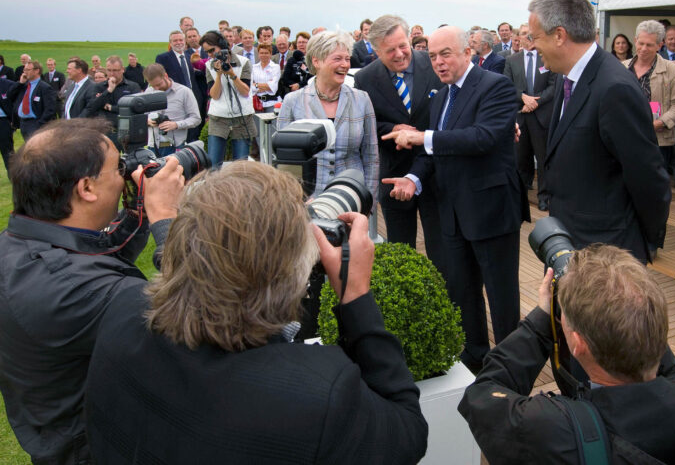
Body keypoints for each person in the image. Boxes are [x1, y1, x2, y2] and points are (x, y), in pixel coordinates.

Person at [84, 161, 427, 464]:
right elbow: (408, 433)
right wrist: (356, 298)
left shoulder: (121, 314)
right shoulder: (318, 395)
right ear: (290, 273)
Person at [0, 118, 184, 464]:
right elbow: (198, 315)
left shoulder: (19, 248)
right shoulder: (87, 293)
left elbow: (89, 255)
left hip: (51, 432)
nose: (125, 175)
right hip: (102, 448)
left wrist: (136, 212)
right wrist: (167, 220)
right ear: (86, 188)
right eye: (118, 169)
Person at [459, 244, 675, 464]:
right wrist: (633, 311)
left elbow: (482, 394)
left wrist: (542, 320)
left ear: (578, 345)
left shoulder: (552, 431)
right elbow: (673, 371)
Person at [380, 26, 529, 374]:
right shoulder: (441, 96)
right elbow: (435, 153)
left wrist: (421, 137)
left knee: (501, 295)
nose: (439, 62)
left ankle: (511, 368)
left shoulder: (496, 86)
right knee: (462, 291)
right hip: (452, 211)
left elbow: (483, 138)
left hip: (491, 211)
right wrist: (413, 178)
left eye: (445, 53)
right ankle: (474, 357)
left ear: (468, 52)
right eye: (432, 56)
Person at [528, 0, 670, 264]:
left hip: (607, 251)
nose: (532, 47)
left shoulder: (614, 88)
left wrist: (642, 241)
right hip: (572, 241)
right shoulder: (566, 78)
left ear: (559, 35)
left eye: (535, 38)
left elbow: (648, 176)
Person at [354, 14, 445, 274]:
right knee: (400, 252)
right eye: (390, 50)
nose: (399, 54)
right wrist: (392, 129)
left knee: (442, 249)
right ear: (374, 49)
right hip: (394, 173)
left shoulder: (434, 65)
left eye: (402, 45)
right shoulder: (365, 79)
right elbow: (368, 124)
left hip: (437, 173)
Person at [278, 30, 378, 197]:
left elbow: (371, 157)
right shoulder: (292, 101)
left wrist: (369, 201)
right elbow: (284, 161)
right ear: (316, 61)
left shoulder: (362, 99)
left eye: (347, 58)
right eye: (337, 58)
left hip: (352, 198)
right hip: (308, 199)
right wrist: (293, 202)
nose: (345, 64)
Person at [623, 20, 675, 199]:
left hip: (657, 140)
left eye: (650, 45)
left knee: (653, 190)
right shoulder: (621, 68)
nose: (643, 48)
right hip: (624, 138)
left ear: (660, 45)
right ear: (635, 40)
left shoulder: (672, 71)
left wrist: (659, 123)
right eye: (641, 43)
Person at [504, 22, 556, 210]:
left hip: (541, 116)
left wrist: (535, 102)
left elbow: (553, 86)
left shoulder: (547, 58)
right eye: (525, 34)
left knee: (543, 160)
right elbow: (507, 86)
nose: (528, 37)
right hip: (520, 116)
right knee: (520, 160)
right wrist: (523, 98)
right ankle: (519, 198)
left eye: (531, 34)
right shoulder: (512, 60)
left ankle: (544, 197)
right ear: (519, 37)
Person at [200, 30, 256, 167]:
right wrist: (218, 75)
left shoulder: (244, 62)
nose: (210, 55)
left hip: (242, 118)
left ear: (222, 45)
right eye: (207, 52)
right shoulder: (209, 65)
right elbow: (214, 95)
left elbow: (245, 91)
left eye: (212, 50)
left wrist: (232, 74)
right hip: (218, 118)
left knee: (240, 166)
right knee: (213, 165)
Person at [84, 55, 142, 149]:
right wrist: (109, 91)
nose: (112, 74)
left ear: (122, 69)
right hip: (106, 133)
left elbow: (134, 108)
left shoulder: (132, 87)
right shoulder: (99, 87)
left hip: (127, 133)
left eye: (115, 70)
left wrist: (110, 107)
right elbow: (92, 108)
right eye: (109, 70)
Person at [143, 63, 201, 156]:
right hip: (153, 146)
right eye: (153, 86)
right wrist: (147, 121)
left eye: (159, 84)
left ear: (165, 76)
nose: (157, 88)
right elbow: (142, 115)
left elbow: (196, 119)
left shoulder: (184, 92)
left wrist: (176, 125)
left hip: (176, 146)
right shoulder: (149, 92)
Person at [15, 60, 57, 140]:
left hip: (35, 123)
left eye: (27, 70)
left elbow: (50, 109)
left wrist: (39, 124)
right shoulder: (24, 85)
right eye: (24, 70)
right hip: (23, 123)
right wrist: (20, 83)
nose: (25, 72)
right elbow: (10, 95)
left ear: (37, 71)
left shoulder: (45, 87)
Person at [251, 42, 281, 112]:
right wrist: (266, 85)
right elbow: (250, 87)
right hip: (257, 103)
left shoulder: (275, 67)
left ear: (270, 54)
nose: (264, 55)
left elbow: (273, 87)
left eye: (266, 53)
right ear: (258, 54)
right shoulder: (253, 68)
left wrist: (256, 85)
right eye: (261, 53)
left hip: (272, 103)